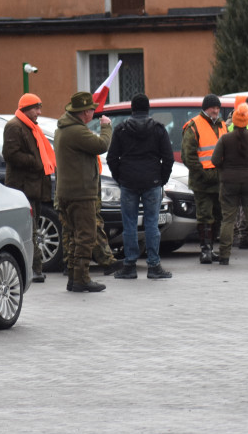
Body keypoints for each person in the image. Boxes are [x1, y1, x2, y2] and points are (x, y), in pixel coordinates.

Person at [54, 91, 119, 293]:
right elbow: (101, 145)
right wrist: (107, 127)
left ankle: (74, 278)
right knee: (86, 237)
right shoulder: (76, 131)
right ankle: (81, 278)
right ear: (84, 112)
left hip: (67, 192)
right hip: (80, 193)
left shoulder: (63, 129)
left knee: (75, 236)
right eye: (92, 110)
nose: (94, 113)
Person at [106, 93, 174, 280]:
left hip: (128, 182)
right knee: (152, 223)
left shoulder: (121, 130)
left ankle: (129, 265)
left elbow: (112, 158)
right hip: (152, 182)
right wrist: (161, 178)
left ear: (132, 109)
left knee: (129, 224)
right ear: (148, 109)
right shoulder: (159, 129)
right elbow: (168, 158)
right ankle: (154, 265)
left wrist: (120, 177)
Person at [2, 93, 55, 282]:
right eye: (36, 108)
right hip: (23, 188)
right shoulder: (14, 127)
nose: (39, 112)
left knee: (34, 228)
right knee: (29, 229)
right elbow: (10, 154)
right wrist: (37, 162)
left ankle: (35, 268)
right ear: (26, 109)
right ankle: (35, 269)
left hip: (34, 186)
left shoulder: (31, 127)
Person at [211, 103, 248, 265]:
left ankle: (224, 255)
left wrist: (225, 170)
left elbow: (215, 160)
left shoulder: (225, 139)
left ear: (234, 122)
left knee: (228, 219)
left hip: (229, 182)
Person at [181, 94, 228, 264]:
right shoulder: (194, 126)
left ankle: (212, 248)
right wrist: (202, 173)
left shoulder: (222, 125)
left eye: (217, 107)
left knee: (218, 215)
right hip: (202, 181)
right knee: (205, 215)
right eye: (212, 107)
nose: (216, 110)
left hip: (219, 179)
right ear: (205, 108)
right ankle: (205, 250)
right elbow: (188, 155)